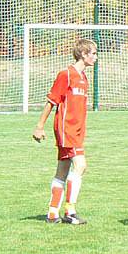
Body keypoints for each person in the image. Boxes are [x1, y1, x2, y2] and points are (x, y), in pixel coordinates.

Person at [32, 38, 98, 225]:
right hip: (66, 129)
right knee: (81, 165)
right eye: (93, 53)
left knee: (62, 170)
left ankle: (53, 213)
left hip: (76, 131)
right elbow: (52, 101)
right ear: (84, 54)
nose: (96, 57)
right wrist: (39, 126)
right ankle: (70, 211)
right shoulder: (66, 74)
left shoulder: (83, 78)